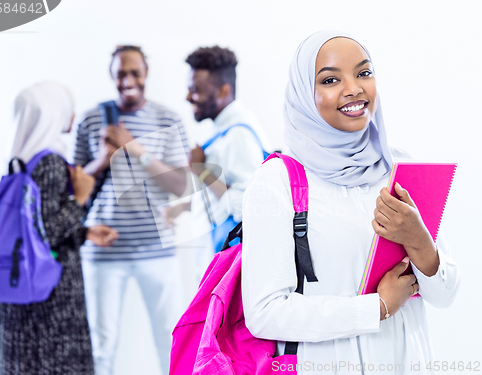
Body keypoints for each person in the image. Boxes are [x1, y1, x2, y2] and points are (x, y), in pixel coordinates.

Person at [241, 31, 460, 374]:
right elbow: (265, 313)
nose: (354, 88)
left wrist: (420, 242)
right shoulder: (277, 182)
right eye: (330, 79)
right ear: (303, 93)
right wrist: (377, 308)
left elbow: (445, 295)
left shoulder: (400, 168)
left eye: (364, 73)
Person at [73, 45, 189, 375]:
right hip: (103, 251)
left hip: (157, 248)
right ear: (111, 75)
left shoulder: (169, 119)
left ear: (146, 73)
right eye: (121, 73)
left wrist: (134, 148)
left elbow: (181, 185)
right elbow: (72, 186)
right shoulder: (91, 118)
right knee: (100, 346)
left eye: (134, 72)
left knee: (171, 343)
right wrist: (100, 158)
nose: (128, 80)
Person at [0, 82, 118, 375]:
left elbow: (30, 231)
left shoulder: (18, 161)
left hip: (21, 286)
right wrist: (80, 200)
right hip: (51, 295)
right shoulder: (50, 163)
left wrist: (82, 232)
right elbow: (44, 232)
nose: (72, 115)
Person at [164, 45, 270, 275]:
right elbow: (222, 198)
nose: (188, 96)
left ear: (223, 91)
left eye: (195, 89)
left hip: (230, 269)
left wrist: (202, 171)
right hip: (218, 263)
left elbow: (245, 204)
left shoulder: (238, 136)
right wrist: (182, 207)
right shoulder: (225, 131)